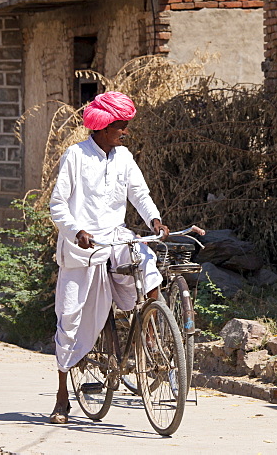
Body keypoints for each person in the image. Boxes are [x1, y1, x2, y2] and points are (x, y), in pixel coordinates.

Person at [47, 91, 169, 424]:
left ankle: (151, 334)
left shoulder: (124, 157)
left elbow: (139, 194)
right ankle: (61, 397)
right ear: (102, 128)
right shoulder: (75, 156)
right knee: (69, 320)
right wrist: (76, 231)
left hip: (115, 238)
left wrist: (154, 221)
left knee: (148, 266)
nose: (125, 132)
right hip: (81, 249)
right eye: (120, 127)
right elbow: (57, 205)